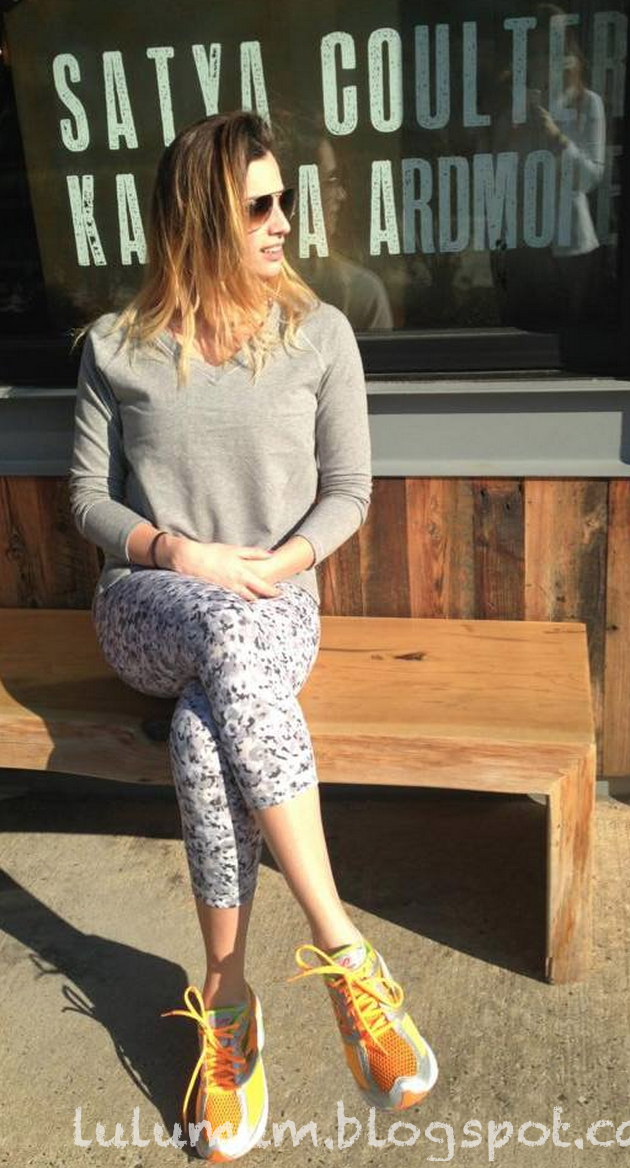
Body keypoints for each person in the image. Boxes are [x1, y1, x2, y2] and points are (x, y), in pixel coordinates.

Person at [68, 109, 438, 1162]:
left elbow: (350, 489)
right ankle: (343, 948)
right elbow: (88, 500)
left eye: (287, 200)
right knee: (221, 648)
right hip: (148, 607)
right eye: (259, 205)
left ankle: (228, 1006)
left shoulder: (319, 334)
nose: (284, 221)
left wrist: (279, 566)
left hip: (277, 608)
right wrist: (179, 553)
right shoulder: (115, 347)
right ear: (198, 219)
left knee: (206, 726)